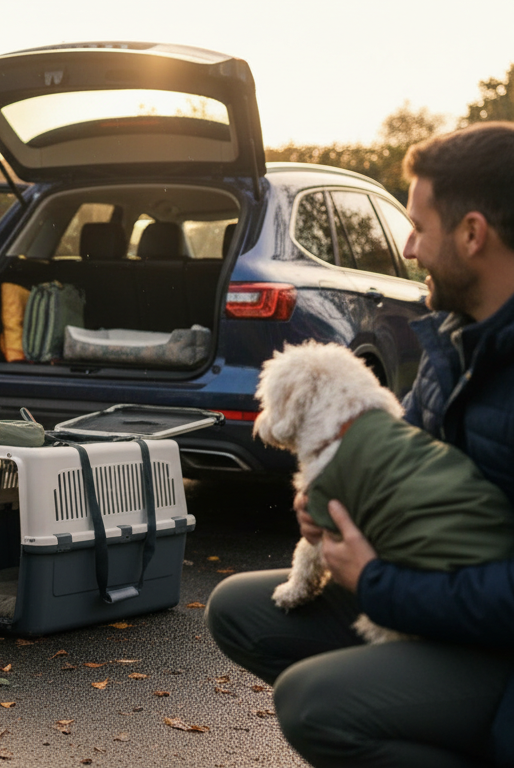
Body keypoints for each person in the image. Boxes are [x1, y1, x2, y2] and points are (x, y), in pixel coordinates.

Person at [205, 121, 514, 768]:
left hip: (495, 636)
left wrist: (377, 584)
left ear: (473, 233)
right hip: (428, 580)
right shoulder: (455, 336)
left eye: (418, 226)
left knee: (316, 705)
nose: (407, 246)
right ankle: (405, 701)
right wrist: (335, 513)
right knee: (238, 609)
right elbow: (404, 463)